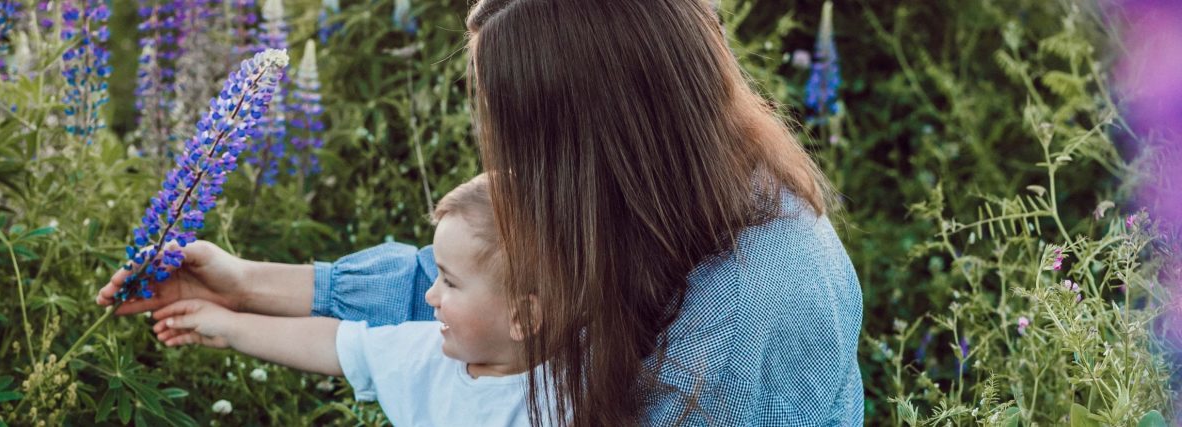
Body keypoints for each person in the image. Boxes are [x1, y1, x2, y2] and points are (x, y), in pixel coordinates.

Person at [100, 0, 864, 424]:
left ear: (600, 136)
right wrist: (242, 285)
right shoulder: (679, 197)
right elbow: (486, 295)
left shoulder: (746, 315)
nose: (518, 170)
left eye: (529, 141)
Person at [145, 175, 545, 426]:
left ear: (523, 317)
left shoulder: (577, 392)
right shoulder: (427, 356)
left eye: (450, 283)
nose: (430, 293)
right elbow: (336, 343)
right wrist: (228, 325)